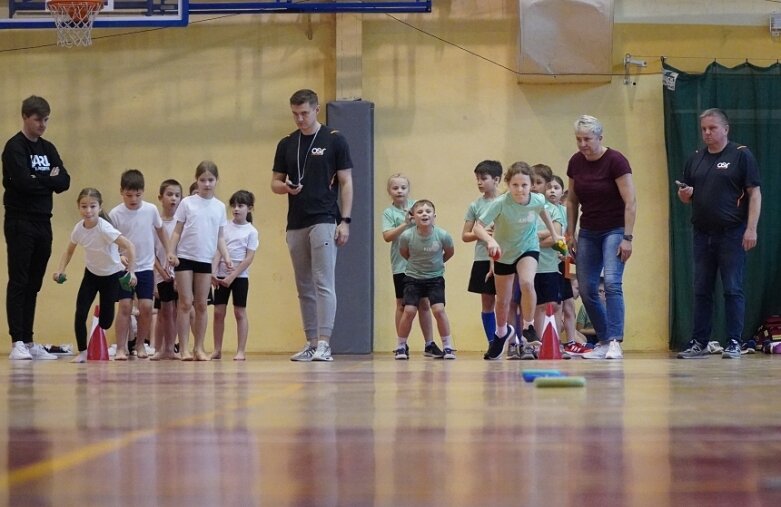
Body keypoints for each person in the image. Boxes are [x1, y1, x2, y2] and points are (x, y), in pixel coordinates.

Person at [271, 89, 353, 362]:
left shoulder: (334, 140)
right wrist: (287, 188)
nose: (300, 119)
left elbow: (346, 182)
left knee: (323, 282)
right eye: (295, 114)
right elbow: (274, 183)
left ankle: (325, 343)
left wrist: (345, 221)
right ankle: (310, 341)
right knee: (303, 285)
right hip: (296, 222)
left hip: (324, 218)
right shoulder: (286, 143)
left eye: (304, 113)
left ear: (316, 109)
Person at [676, 108, 762, 360]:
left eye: (712, 128)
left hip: (732, 233)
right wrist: (684, 195)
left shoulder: (741, 155)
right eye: (703, 129)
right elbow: (686, 195)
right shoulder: (695, 158)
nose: (707, 133)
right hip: (702, 234)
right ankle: (699, 342)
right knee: (701, 289)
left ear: (726, 128)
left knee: (733, 289)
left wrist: (751, 228)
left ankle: (734, 341)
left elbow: (755, 193)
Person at [472, 162, 562, 360]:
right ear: (508, 184)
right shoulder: (500, 203)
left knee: (527, 282)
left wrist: (555, 235)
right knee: (503, 300)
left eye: (524, 185)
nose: (520, 190)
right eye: (515, 185)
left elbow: (543, 212)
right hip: (504, 253)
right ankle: (502, 333)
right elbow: (477, 227)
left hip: (528, 248)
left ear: (531, 185)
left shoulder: (537, 199)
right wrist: (490, 240)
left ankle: (528, 326)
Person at [3, 96, 70, 360]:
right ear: (25, 117)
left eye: (46, 120)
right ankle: (17, 341)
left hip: (44, 221)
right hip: (20, 221)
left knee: (34, 283)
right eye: (38, 119)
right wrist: (48, 179)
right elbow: (21, 183)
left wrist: (41, 179)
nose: (43, 124)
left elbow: (64, 181)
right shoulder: (14, 148)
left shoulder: (48, 148)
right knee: (19, 280)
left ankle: (29, 341)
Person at [566, 115, 636, 360]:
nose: (582, 144)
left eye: (587, 139)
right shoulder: (575, 162)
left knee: (613, 284)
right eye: (578, 139)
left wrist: (627, 237)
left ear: (600, 137)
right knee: (586, 289)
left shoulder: (616, 161)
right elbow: (572, 200)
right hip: (588, 231)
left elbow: (630, 201)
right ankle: (604, 341)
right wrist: (569, 233)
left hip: (615, 230)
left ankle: (616, 340)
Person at [52, 188, 136, 363]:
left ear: (99, 207)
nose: (88, 211)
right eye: (84, 206)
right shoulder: (78, 229)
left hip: (111, 275)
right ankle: (82, 351)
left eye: (92, 206)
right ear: (78, 207)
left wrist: (131, 272)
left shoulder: (105, 229)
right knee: (80, 312)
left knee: (106, 321)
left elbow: (130, 246)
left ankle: (103, 325)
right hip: (91, 275)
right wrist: (61, 270)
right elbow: (68, 251)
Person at [167, 161, 232, 361]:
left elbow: (220, 236)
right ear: (197, 180)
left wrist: (226, 256)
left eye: (210, 180)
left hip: (205, 258)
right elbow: (177, 230)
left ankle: (199, 348)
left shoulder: (220, 207)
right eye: (202, 180)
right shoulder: (187, 203)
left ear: (216, 181)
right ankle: (184, 348)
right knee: (185, 303)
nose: (206, 183)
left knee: (202, 304)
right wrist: (171, 252)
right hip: (185, 257)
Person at [109, 169, 167, 360]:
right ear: (121, 192)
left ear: (143, 192)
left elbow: (160, 231)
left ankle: (141, 345)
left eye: (138, 195)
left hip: (145, 268)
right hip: (124, 268)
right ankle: (120, 348)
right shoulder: (115, 214)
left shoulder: (150, 210)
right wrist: (118, 257)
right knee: (125, 306)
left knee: (146, 307)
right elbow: (109, 241)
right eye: (128, 195)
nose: (133, 199)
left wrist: (169, 251)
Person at [381, 174, 439, 357]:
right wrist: (405, 224)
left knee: (424, 303)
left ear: (408, 190)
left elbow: (430, 227)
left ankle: (429, 344)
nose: (399, 191)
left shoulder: (418, 208)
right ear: (389, 191)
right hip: (401, 266)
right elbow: (387, 236)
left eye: (403, 188)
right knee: (402, 305)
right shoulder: (389, 213)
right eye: (395, 188)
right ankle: (401, 344)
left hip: (421, 265)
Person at [395, 200, 456, 359]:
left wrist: (437, 264)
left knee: (438, 310)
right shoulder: (407, 236)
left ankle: (448, 346)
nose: (424, 214)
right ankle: (401, 346)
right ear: (413, 217)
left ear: (434, 216)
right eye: (420, 212)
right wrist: (417, 267)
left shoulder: (442, 235)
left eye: (428, 211)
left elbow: (449, 252)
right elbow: (404, 253)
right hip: (412, 279)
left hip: (435, 278)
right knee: (409, 311)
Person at [211, 190, 259, 361]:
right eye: (234, 206)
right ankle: (217, 349)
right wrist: (214, 271)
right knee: (218, 312)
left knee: (239, 312)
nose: (236, 209)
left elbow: (249, 258)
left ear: (249, 208)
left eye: (241, 206)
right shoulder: (225, 227)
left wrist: (233, 276)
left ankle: (241, 350)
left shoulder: (251, 231)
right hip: (222, 275)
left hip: (239, 277)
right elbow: (219, 249)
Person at [547, 175, 589, 356]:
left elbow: (571, 236)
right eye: (549, 187)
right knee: (555, 307)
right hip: (550, 264)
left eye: (556, 187)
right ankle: (555, 341)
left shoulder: (565, 213)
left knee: (569, 305)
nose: (552, 191)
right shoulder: (544, 212)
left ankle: (571, 342)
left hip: (565, 265)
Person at [462, 160, 501, 345]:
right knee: (487, 302)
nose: (479, 182)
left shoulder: (505, 201)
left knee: (508, 301)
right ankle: (492, 341)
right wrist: (483, 234)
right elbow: (465, 235)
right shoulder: (475, 205)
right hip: (482, 258)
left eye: (483, 178)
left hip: (504, 256)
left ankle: (513, 341)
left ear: (496, 179)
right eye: (477, 179)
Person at [151, 179, 182, 361]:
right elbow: (150, 251)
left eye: (177, 195)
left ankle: (172, 347)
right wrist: (161, 272)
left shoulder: (181, 223)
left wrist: (177, 273)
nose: (173, 199)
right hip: (160, 273)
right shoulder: (156, 223)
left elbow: (182, 249)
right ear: (160, 197)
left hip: (178, 273)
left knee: (177, 311)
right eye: (169, 194)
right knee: (163, 311)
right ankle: (159, 348)